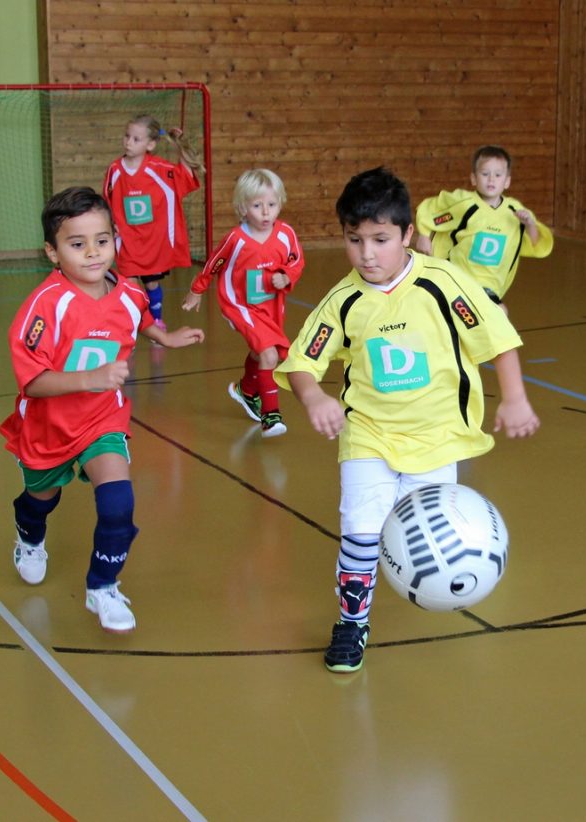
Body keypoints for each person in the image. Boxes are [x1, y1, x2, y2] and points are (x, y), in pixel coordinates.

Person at [275, 167, 540, 673]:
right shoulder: (343, 300)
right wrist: (313, 398)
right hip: (368, 436)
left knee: (429, 537)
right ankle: (352, 623)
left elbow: (497, 338)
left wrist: (514, 398)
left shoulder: (443, 283)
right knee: (360, 533)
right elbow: (303, 361)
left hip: (437, 439)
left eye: (380, 240)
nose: (367, 254)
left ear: (407, 235)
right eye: (354, 240)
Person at [0, 187, 205, 632]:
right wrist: (90, 379)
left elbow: (139, 318)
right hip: (48, 426)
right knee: (40, 500)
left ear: (116, 240)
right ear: (52, 252)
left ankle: (103, 586)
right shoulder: (46, 306)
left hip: (102, 419)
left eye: (102, 240)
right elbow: (32, 381)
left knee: (118, 503)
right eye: (78, 244)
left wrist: (165, 337)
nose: (93, 253)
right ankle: (29, 536)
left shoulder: (128, 291)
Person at [181, 169, 305, 438]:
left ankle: (246, 391)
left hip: (271, 305)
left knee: (263, 351)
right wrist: (196, 290)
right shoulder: (236, 239)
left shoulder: (285, 234)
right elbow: (213, 264)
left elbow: (296, 261)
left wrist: (287, 276)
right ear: (243, 208)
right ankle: (271, 416)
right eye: (257, 206)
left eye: (271, 204)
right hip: (240, 305)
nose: (266, 212)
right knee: (270, 354)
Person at [414, 145, 553, 311]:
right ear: (474, 178)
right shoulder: (464, 204)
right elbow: (432, 211)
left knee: (495, 316)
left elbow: (535, 244)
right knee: (497, 313)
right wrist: (423, 234)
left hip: (490, 286)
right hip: (459, 279)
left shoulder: (515, 212)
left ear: (507, 181)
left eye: (498, 175)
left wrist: (530, 224)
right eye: (485, 174)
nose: (491, 179)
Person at [102, 114, 204, 330]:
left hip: (152, 243)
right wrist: (110, 224)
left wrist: (179, 144)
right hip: (127, 241)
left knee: (151, 284)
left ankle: (156, 320)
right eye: (127, 136)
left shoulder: (160, 168)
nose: (128, 142)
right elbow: (106, 201)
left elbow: (185, 175)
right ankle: (132, 324)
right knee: (129, 285)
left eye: (136, 139)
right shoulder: (114, 170)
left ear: (150, 144)